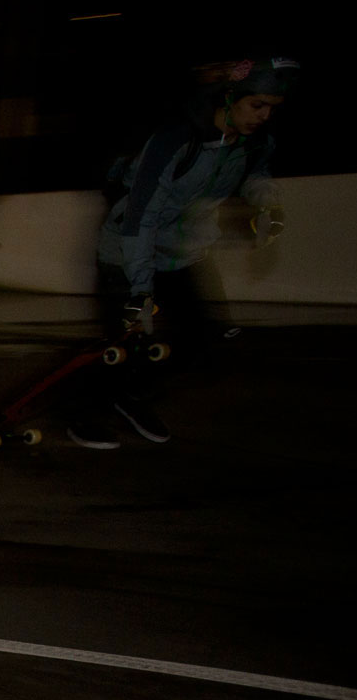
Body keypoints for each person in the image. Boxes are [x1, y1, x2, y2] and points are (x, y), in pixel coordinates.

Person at [79, 55, 297, 447]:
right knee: (126, 345)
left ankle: (130, 398)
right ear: (229, 98)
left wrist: (268, 204)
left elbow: (256, 175)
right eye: (257, 105)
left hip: (182, 255)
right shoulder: (175, 140)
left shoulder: (253, 144)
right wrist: (140, 290)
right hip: (127, 252)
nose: (264, 116)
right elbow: (140, 218)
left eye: (271, 109)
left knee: (197, 349)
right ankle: (85, 415)